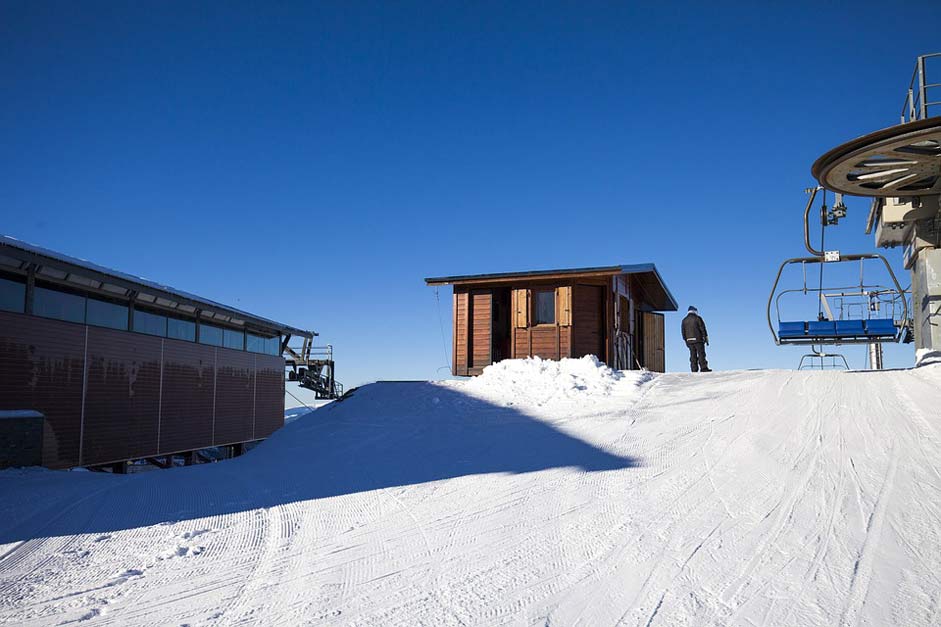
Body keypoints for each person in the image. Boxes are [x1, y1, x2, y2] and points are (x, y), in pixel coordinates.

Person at [681, 306, 711, 372]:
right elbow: (702, 328)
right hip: (698, 340)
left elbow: (683, 332)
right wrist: (705, 338)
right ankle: (703, 368)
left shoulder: (684, 320)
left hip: (689, 340)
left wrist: (686, 340)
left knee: (692, 355)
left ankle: (694, 369)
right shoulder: (698, 318)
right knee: (701, 354)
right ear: (695, 311)